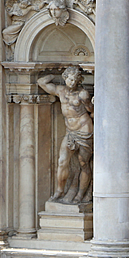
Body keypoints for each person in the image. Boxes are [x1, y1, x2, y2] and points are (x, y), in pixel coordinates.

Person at [38, 66, 93, 204]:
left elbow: (91, 111)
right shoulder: (60, 91)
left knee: (83, 163)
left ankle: (80, 194)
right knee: (62, 161)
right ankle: (60, 190)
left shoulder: (82, 94)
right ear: (65, 78)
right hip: (70, 131)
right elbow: (41, 82)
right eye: (70, 79)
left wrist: (91, 103)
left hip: (84, 130)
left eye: (75, 80)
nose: (72, 82)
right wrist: (55, 69)